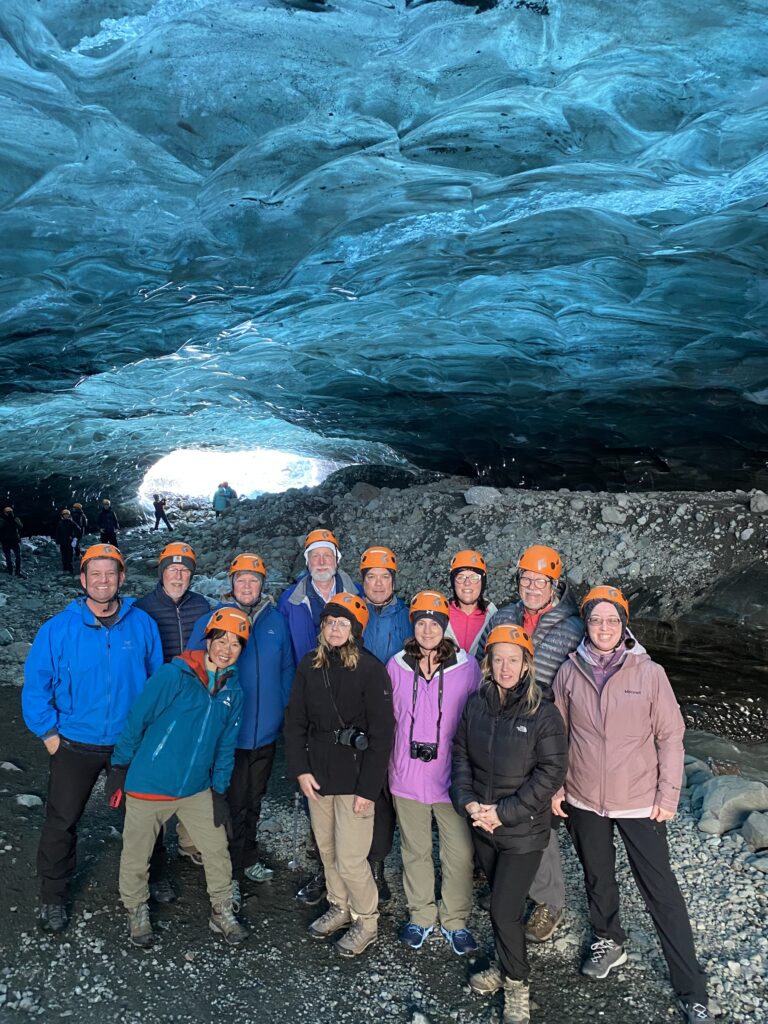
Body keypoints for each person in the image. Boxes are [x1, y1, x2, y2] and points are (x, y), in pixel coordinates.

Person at [552, 586, 715, 1024]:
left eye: (611, 620)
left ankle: (691, 987)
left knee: (660, 891)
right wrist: (556, 787)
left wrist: (668, 796)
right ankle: (609, 939)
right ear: (585, 623)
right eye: (595, 620)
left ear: (624, 624)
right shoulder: (570, 672)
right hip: (584, 796)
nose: (603, 628)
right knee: (598, 877)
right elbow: (559, 735)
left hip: (640, 801)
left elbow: (672, 736)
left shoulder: (649, 672)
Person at [21, 543, 164, 933]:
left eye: (110, 574)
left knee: (143, 815)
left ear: (121, 578)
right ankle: (53, 897)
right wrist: (49, 734)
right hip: (74, 743)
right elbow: (36, 686)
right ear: (83, 580)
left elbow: (155, 684)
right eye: (95, 574)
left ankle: (156, 876)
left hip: (126, 742)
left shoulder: (142, 625)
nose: (103, 581)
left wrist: (148, 732)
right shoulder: (57, 629)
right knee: (61, 820)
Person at [108, 607, 249, 948]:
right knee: (136, 853)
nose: (227, 649)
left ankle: (221, 910)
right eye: (221, 639)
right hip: (150, 784)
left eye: (236, 643)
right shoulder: (176, 676)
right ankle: (136, 909)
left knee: (216, 849)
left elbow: (226, 747)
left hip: (195, 789)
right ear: (209, 640)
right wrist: (119, 768)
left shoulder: (234, 693)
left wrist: (219, 791)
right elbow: (137, 719)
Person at [451, 625, 568, 1024]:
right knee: (504, 908)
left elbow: (550, 774)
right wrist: (467, 802)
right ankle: (505, 965)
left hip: (522, 832)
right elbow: (461, 754)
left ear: (526, 664)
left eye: (512, 660)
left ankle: (517, 984)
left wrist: (504, 813)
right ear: (488, 662)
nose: (504, 667)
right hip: (482, 824)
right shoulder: (475, 703)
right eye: (497, 659)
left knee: (502, 910)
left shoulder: (543, 713)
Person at [477, 544, 582, 943]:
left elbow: (578, 691)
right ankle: (510, 890)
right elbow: (481, 666)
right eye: (526, 579)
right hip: (498, 727)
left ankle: (549, 900)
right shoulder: (503, 616)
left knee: (537, 818)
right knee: (502, 808)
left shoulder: (572, 627)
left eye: (540, 581)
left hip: (542, 735)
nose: (532, 587)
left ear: (555, 584)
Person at [284, 593, 394, 958]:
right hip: (318, 773)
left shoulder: (370, 669)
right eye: (330, 622)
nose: (335, 628)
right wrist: (300, 769)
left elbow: (382, 735)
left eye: (342, 623)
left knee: (350, 857)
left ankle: (367, 919)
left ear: (354, 630)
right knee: (328, 850)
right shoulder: (308, 666)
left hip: (355, 776)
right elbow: (296, 720)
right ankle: (339, 905)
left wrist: (369, 788)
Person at [187, 553, 294, 901]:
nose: (247, 587)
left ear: (263, 585)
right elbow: (193, 670)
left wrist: (279, 709)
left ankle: (248, 858)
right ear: (231, 584)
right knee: (228, 802)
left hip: (263, 733)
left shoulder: (276, 621)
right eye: (241, 580)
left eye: (254, 581)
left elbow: (287, 669)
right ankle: (226, 870)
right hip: (226, 735)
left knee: (254, 799)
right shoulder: (212, 620)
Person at [387, 590, 481, 956]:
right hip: (406, 776)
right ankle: (421, 914)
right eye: (421, 622)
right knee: (415, 850)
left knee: (457, 854)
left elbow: (475, 722)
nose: (428, 630)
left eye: (435, 623)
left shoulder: (467, 667)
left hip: (451, 779)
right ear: (413, 625)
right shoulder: (395, 665)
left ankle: (455, 919)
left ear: (445, 626)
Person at [279, 528, 363, 906]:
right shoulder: (291, 600)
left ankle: (363, 870)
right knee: (317, 790)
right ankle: (324, 870)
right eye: (315, 556)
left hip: (350, 703)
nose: (322, 561)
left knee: (354, 790)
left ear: (337, 559)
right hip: (311, 703)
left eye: (327, 555)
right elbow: (285, 654)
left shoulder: (357, 595)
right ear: (307, 561)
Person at [359, 545, 411, 904]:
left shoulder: (407, 617)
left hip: (395, 715)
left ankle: (379, 863)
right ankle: (348, 865)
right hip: (355, 714)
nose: (378, 583)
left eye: (385, 577)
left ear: (394, 580)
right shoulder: (351, 613)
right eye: (371, 577)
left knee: (388, 794)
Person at [135, 543, 211, 663]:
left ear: (191, 576)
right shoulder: (142, 608)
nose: (178, 576)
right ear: (162, 573)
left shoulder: (202, 606)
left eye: (185, 570)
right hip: (159, 679)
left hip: (194, 679)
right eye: (172, 569)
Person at [445, 550, 497, 657]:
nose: (467, 583)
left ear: (482, 582)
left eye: (474, 577)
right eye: (460, 577)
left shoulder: (495, 617)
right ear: (453, 582)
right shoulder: (439, 614)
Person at [1, 505, 24, 577]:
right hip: (6, 541)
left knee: (18, 557)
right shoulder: (2, 520)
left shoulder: (15, 518)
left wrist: (13, 518)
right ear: (4, 513)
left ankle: (17, 571)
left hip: (14, 541)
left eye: (11, 512)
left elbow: (21, 526)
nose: (10, 513)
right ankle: (10, 571)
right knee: (8, 557)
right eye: (8, 512)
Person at [54, 509, 79, 575]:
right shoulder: (60, 523)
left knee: (70, 556)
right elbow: (57, 533)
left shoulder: (72, 522)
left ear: (69, 515)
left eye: (67, 514)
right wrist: (57, 543)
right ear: (62, 515)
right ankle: (65, 570)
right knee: (63, 557)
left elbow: (78, 530)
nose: (66, 516)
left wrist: (74, 537)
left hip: (69, 542)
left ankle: (71, 570)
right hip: (62, 543)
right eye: (65, 514)